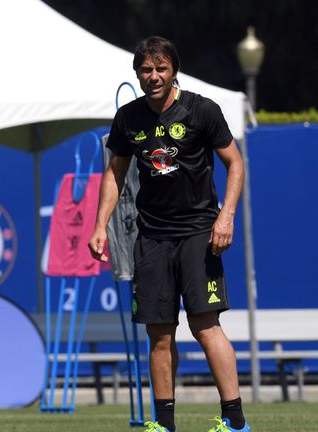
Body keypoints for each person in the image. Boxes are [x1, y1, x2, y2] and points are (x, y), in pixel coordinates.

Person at [88, 36, 249, 432]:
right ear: (137, 73)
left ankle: (235, 422)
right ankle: (164, 425)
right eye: (146, 69)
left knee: (204, 326)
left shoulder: (201, 110)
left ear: (173, 69)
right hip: (152, 239)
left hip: (199, 235)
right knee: (158, 334)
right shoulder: (128, 119)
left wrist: (225, 217)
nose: (154, 76)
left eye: (161, 68)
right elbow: (115, 172)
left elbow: (236, 164)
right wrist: (99, 226)